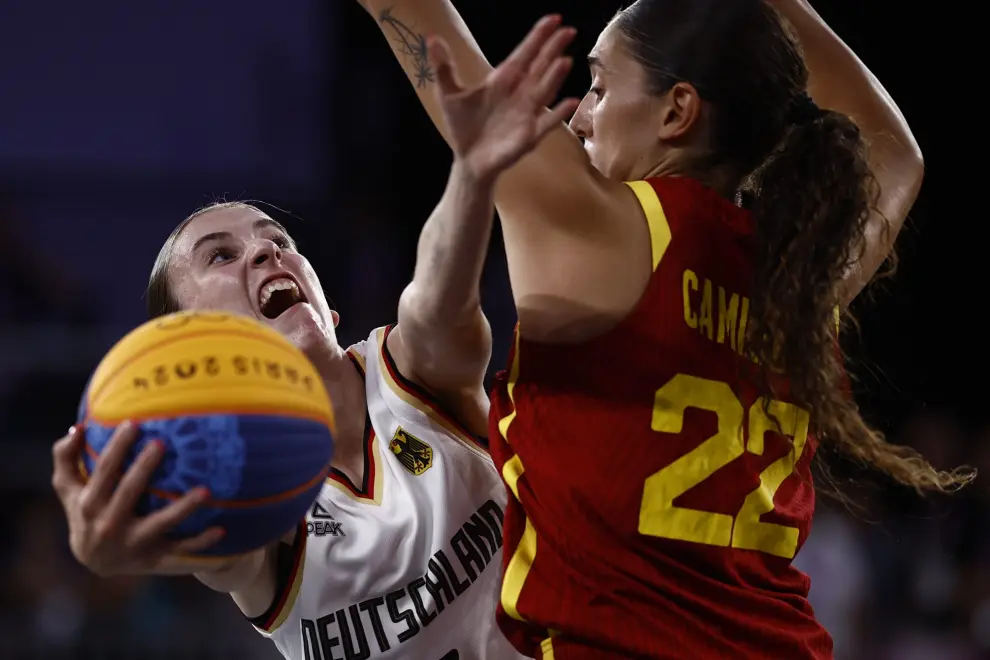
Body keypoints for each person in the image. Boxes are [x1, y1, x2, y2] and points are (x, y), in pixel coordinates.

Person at [358, 0, 975, 658]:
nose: (580, 115)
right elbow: (894, 152)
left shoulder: (596, 224)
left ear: (677, 111)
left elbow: (417, 21)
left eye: (599, 87)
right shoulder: (804, 279)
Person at [48, 32, 575, 658]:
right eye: (221, 255)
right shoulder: (246, 489)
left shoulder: (408, 371)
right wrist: (113, 552)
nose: (265, 252)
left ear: (329, 309)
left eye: (278, 240)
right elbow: (210, 552)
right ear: (187, 343)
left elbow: (437, 301)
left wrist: (472, 172)